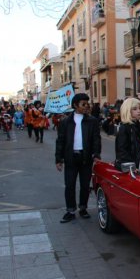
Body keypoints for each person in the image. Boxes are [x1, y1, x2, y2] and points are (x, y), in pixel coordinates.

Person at [55, 93, 102, 223]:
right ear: (75, 105)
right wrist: (58, 159)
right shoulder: (65, 122)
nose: (86, 106)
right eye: (83, 104)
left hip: (85, 158)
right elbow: (60, 141)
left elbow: (96, 139)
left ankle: (83, 208)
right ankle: (70, 210)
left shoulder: (92, 121)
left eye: (87, 104)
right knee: (69, 185)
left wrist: (96, 154)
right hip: (70, 158)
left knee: (85, 185)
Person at [115, 98, 140, 170]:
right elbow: (122, 152)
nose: (139, 111)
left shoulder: (138, 125)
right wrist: (132, 167)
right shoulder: (124, 128)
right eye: (135, 109)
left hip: (139, 165)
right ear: (127, 111)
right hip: (129, 168)